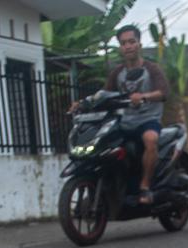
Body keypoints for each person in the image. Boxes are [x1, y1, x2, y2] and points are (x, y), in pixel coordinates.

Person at [69, 25, 169, 205]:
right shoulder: (117, 73)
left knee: (151, 139)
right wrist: (83, 103)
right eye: (124, 43)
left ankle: (145, 187)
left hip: (148, 120)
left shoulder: (151, 69)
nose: (128, 46)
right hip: (124, 121)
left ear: (139, 44)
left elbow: (163, 92)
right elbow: (104, 94)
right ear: (120, 48)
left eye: (131, 42)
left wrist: (144, 96)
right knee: (106, 145)